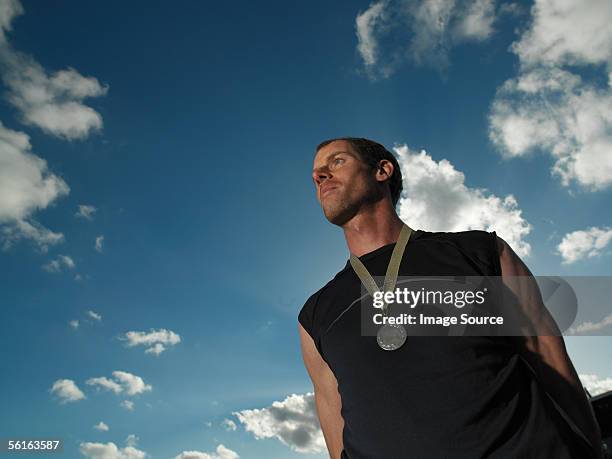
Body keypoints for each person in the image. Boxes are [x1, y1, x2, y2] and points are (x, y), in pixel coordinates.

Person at [297, 137, 603, 458]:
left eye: (337, 162)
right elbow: (333, 416)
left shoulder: (477, 253)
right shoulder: (316, 313)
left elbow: (548, 356)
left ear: (382, 170)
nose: (321, 176)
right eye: (316, 174)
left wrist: (591, 448)